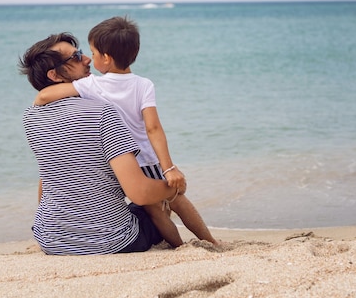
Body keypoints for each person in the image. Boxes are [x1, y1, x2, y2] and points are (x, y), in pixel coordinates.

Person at [34, 16, 218, 247]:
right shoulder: (144, 84)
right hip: (147, 159)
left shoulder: (91, 86)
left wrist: (38, 109)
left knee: (156, 213)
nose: (89, 57)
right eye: (80, 54)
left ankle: (179, 247)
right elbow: (153, 128)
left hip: (122, 164)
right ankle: (210, 241)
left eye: (92, 51)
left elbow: (43, 96)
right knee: (177, 201)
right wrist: (169, 167)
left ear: (106, 58)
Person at [19, 32, 184, 255]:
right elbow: (140, 192)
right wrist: (174, 189)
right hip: (112, 241)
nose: (87, 59)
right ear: (55, 75)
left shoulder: (31, 117)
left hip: (51, 239)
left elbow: (48, 177)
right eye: (76, 57)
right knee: (155, 203)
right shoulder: (102, 113)